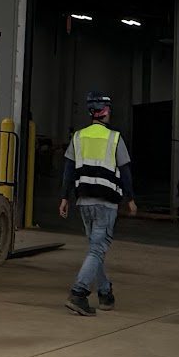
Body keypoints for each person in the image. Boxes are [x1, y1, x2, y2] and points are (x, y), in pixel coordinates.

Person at [58, 90, 135, 314]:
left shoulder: (78, 137)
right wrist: (130, 199)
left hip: (84, 202)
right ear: (106, 112)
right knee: (97, 250)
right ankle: (78, 293)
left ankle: (105, 294)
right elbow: (125, 172)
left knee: (95, 249)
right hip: (105, 203)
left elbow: (68, 170)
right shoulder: (114, 138)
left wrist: (64, 197)